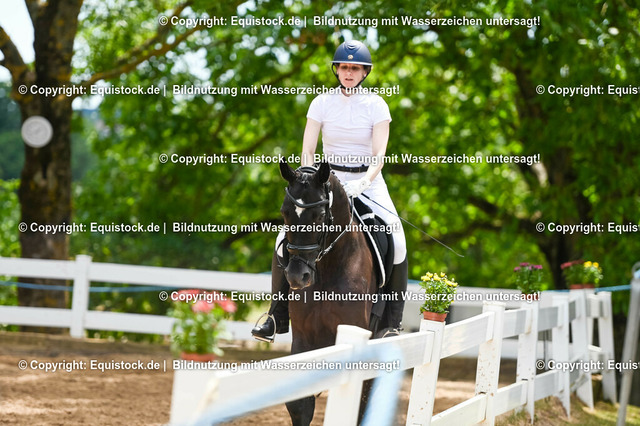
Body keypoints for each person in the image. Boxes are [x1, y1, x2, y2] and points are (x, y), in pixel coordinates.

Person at [252, 40, 407, 342]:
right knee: (283, 237)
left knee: (396, 236)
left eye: (355, 68)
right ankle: (276, 315)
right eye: (344, 67)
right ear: (337, 70)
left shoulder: (377, 105)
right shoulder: (321, 102)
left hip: (367, 180)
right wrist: (309, 180)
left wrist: (363, 183)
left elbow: (379, 156)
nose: (349, 73)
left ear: (364, 72)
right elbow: (308, 150)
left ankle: (392, 323)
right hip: (325, 180)